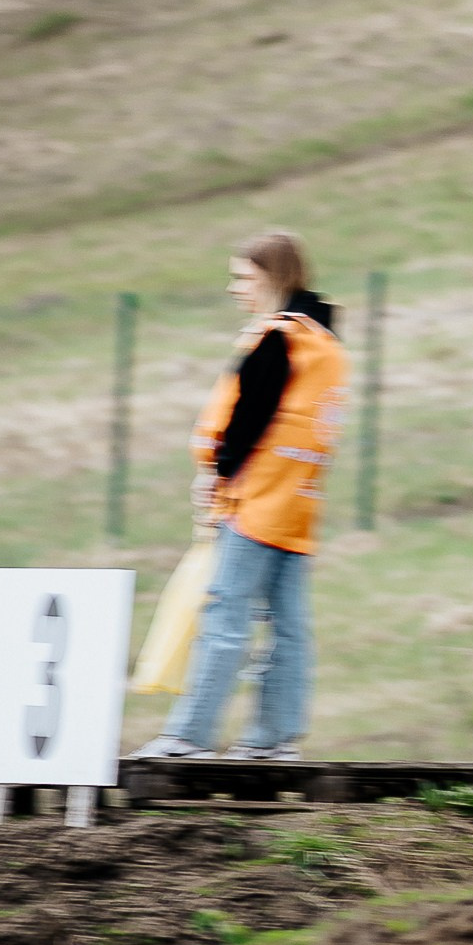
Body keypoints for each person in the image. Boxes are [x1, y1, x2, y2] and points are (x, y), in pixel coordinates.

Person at [136, 231, 348, 761]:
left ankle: (189, 736)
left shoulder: (276, 338)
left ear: (274, 277)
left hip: (254, 502)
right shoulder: (323, 341)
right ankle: (274, 739)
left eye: (244, 278)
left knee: (225, 615)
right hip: (298, 504)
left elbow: (249, 416)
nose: (235, 289)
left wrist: (218, 474)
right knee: (289, 626)